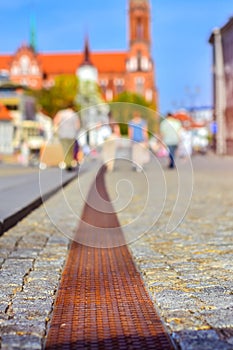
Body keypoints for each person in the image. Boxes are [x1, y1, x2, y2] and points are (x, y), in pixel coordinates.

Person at [54, 103, 80, 171]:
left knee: (65, 149)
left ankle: (68, 164)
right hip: (72, 134)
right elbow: (77, 125)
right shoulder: (74, 114)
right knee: (71, 150)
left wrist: (57, 130)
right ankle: (69, 163)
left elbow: (56, 122)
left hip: (63, 134)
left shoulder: (61, 113)